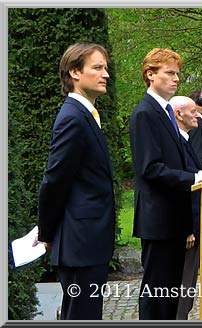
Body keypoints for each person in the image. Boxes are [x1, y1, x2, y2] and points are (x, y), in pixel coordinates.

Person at [129, 48, 202, 320]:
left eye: (178, 74)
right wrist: (196, 177)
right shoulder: (145, 114)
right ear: (150, 75)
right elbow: (150, 169)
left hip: (173, 219)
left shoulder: (166, 113)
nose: (176, 79)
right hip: (158, 220)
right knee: (158, 296)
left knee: (171, 298)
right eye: (169, 73)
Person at [35, 42, 115, 320]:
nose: (105, 74)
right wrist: (45, 232)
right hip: (80, 243)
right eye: (97, 68)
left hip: (89, 241)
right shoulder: (73, 117)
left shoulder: (87, 115)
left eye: (105, 67)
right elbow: (54, 180)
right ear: (74, 73)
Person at [169, 96, 202, 320]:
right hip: (187, 228)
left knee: (189, 285)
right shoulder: (176, 145)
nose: (197, 115)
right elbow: (179, 189)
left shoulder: (186, 140)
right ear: (178, 115)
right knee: (182, 284)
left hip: (196, 223)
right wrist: (187, 228)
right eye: (192, 111)